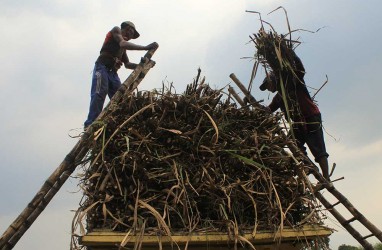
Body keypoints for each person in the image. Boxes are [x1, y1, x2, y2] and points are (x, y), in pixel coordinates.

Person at [259, 55, 330, 180]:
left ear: (274, 80)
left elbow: (300, 70)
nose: (268, 89)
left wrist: (291, 54)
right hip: (298, 124)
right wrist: (250, 101)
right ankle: (309, 166)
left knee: (317, 147)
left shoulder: (293, 82)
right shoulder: (279, 97)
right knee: (293, 143)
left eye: (268, 85)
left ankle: (326, 178)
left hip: (311, 117)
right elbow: (268, 110)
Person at [84, 21, 158, 128]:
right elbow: (123, 43)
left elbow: (127, 64)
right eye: (131, 33)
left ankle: (116, 123)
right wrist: (145, 47)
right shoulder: (116, 31)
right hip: (102, 68)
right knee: (99, 93)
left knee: (120, 98)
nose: (131, 36)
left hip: (112, 74)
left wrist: (144, 65)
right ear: (127, 29)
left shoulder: (122, 49)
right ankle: (91, 124)